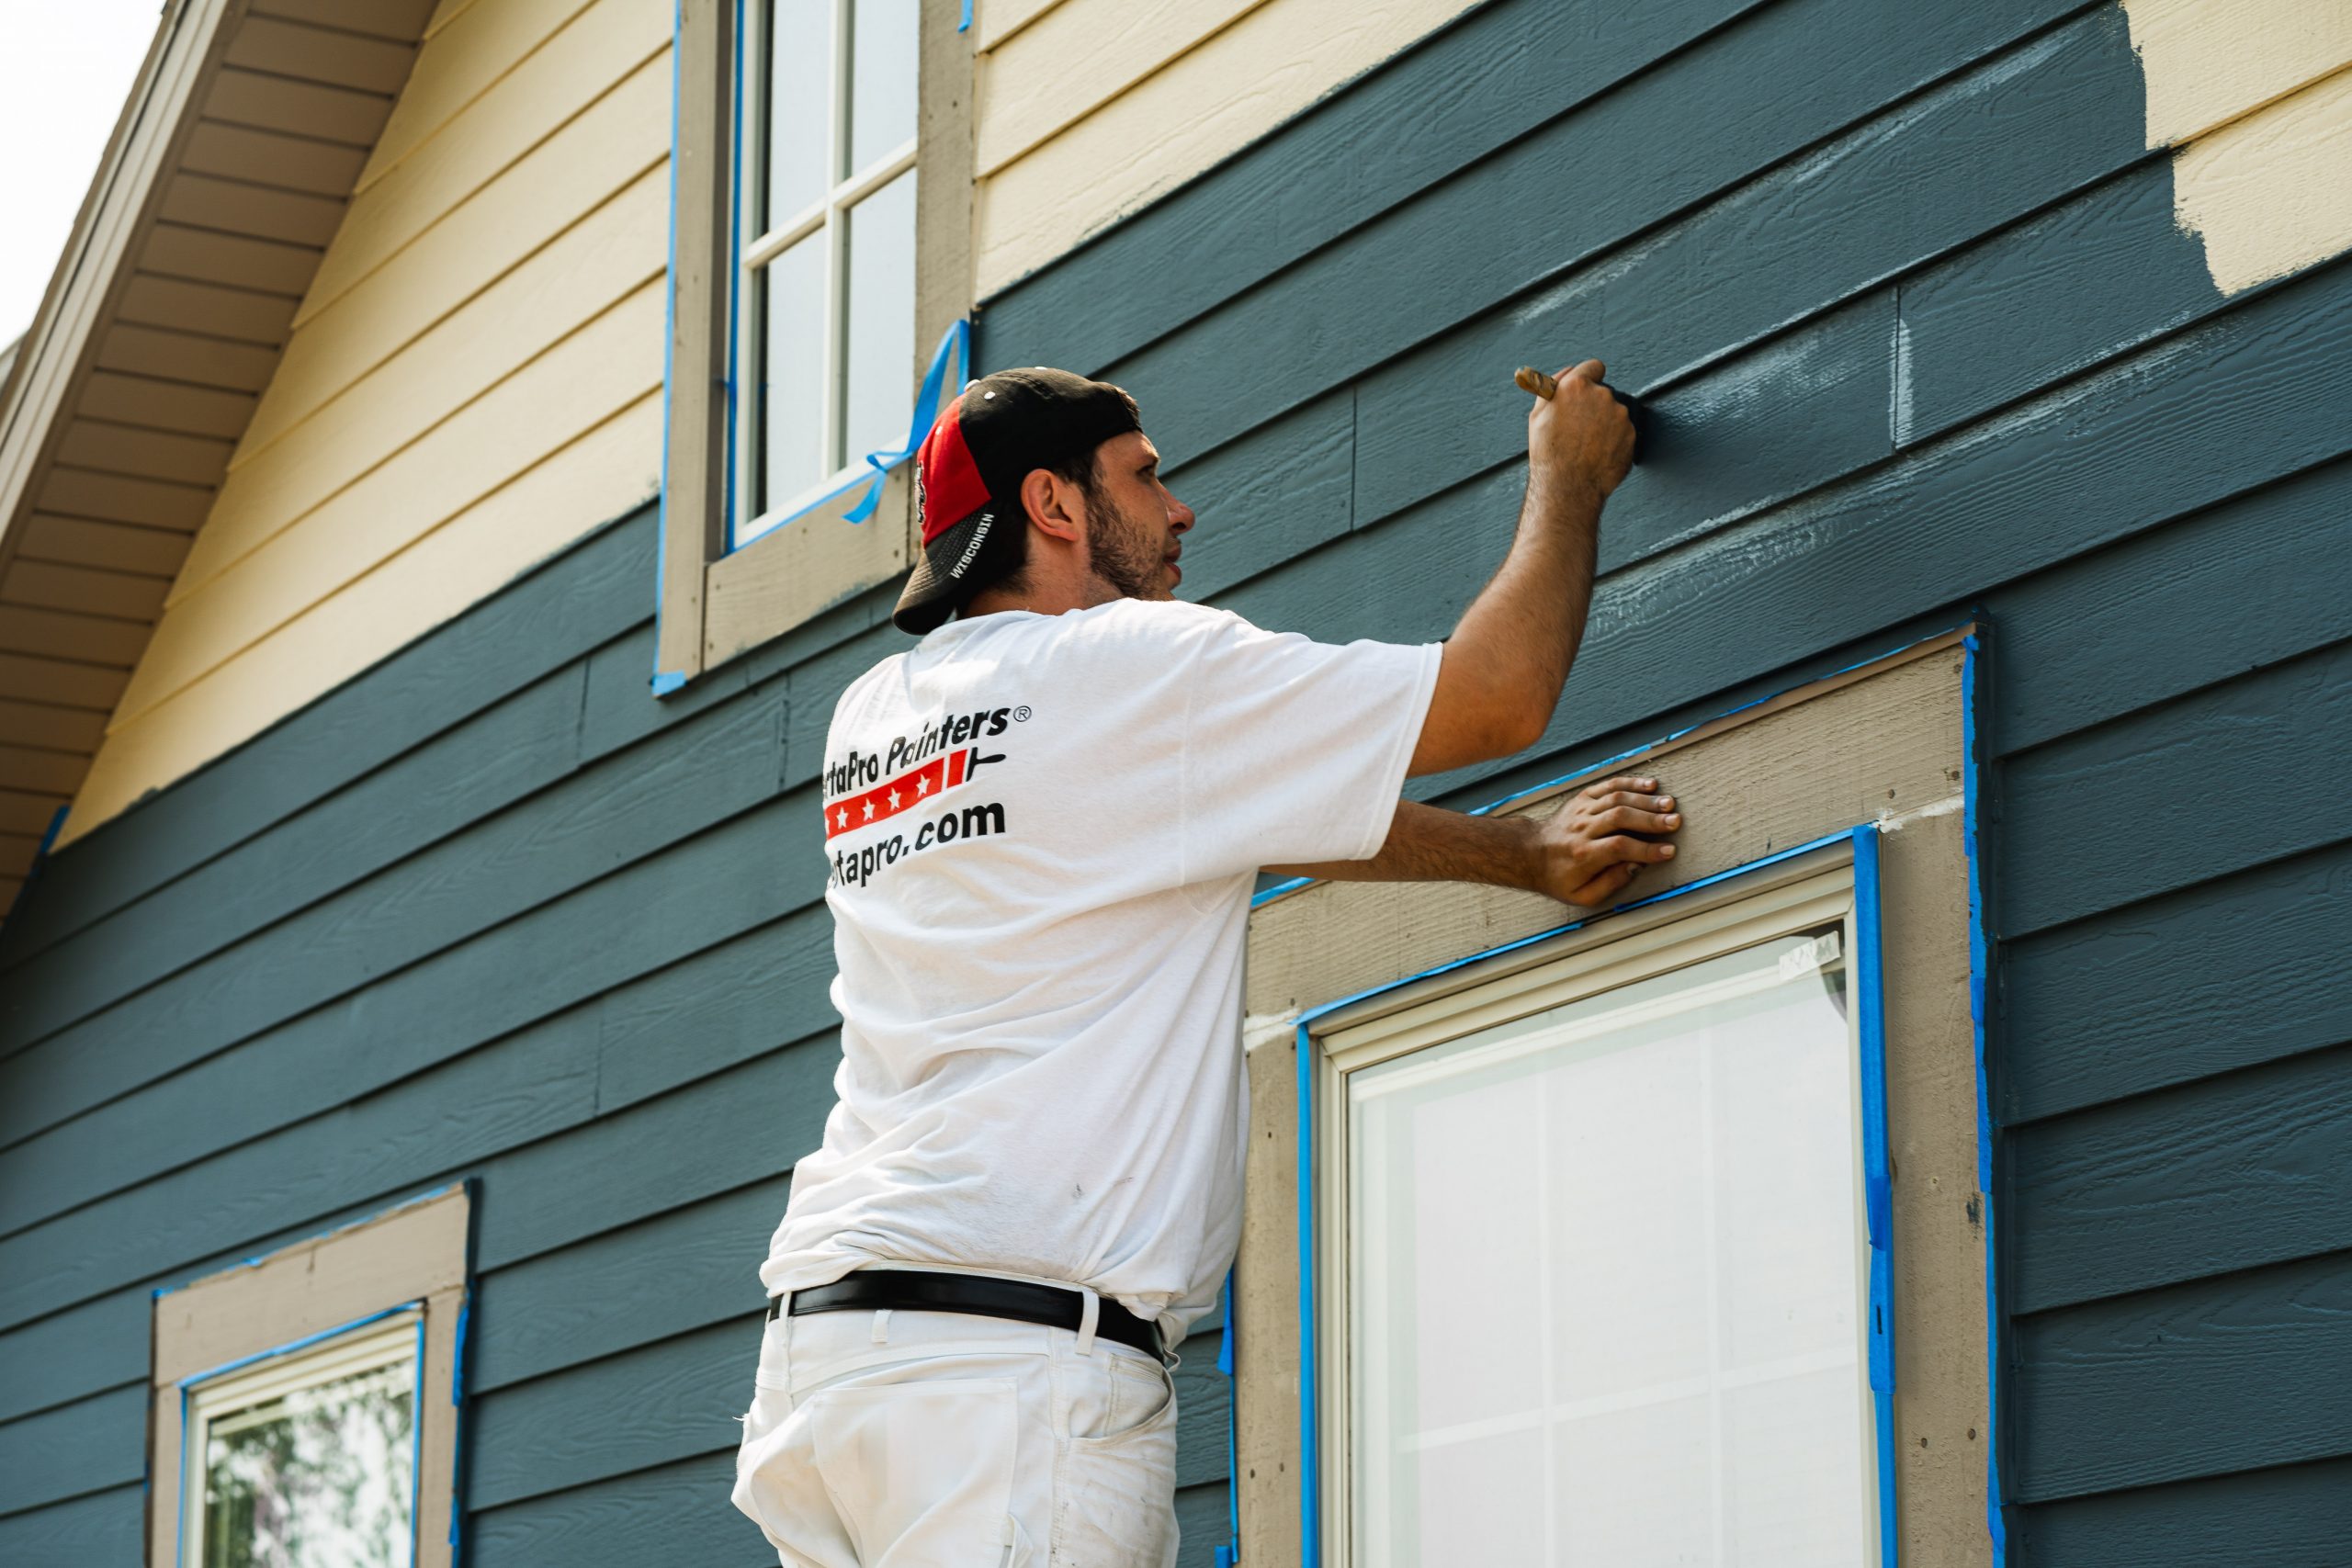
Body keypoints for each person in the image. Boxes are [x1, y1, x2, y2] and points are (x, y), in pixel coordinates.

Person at [731, 358, 1678, 1566]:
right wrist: (1569, 479)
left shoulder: (876, 716)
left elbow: (1251, 810)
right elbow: (1498, 699)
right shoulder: (1126, 663)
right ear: (1055, 507)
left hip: (827, 1374)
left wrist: (1522, 857)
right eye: (1145, 478)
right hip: (1008, 1384)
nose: (1181, 513)